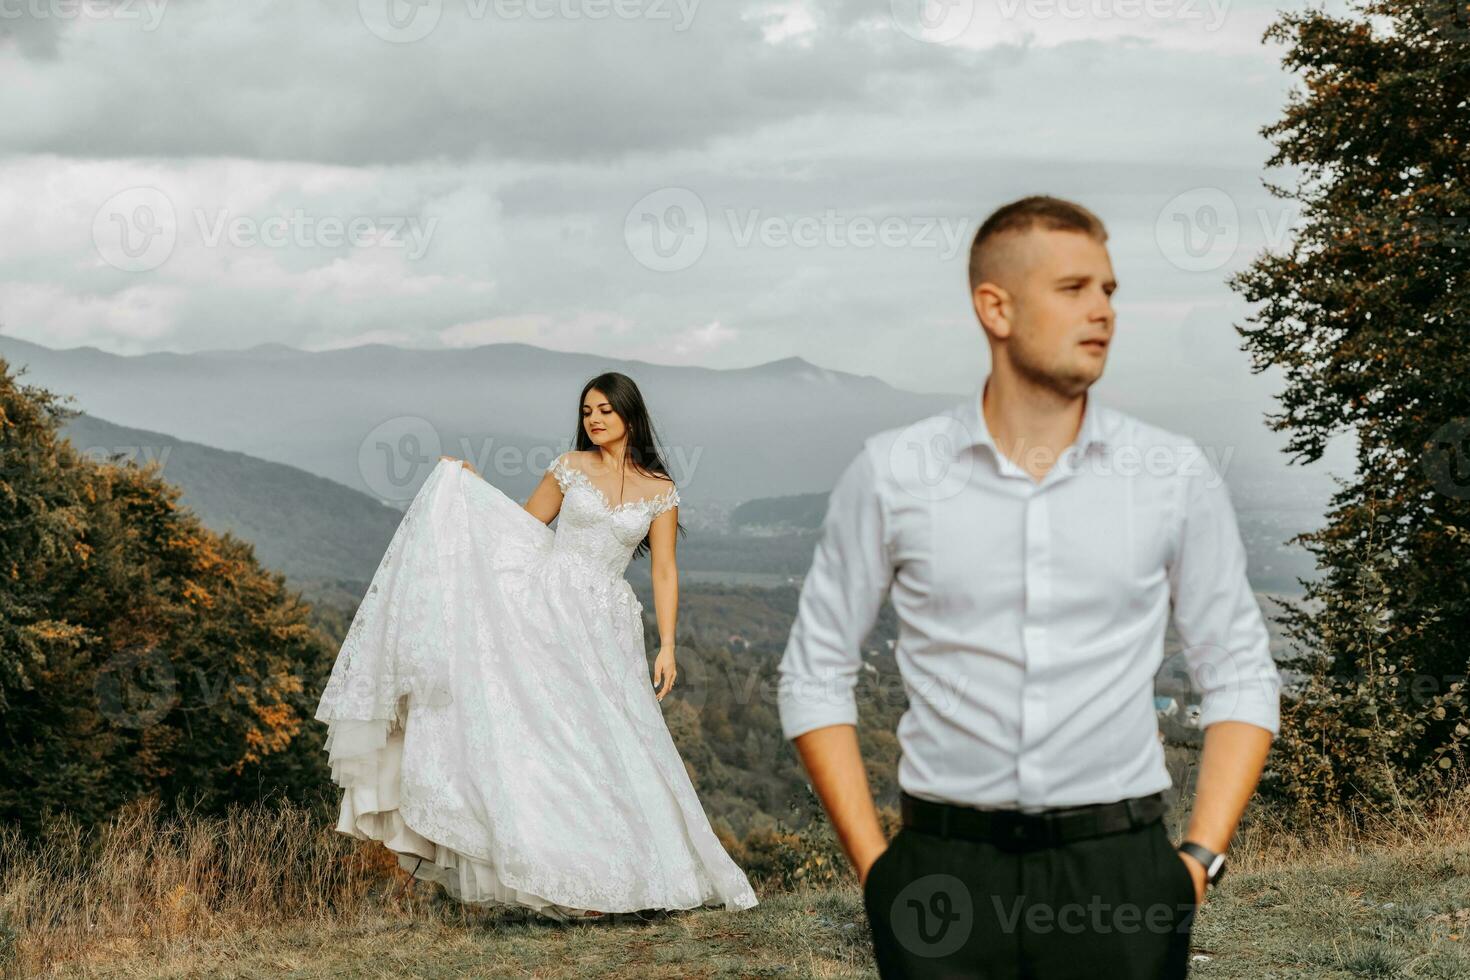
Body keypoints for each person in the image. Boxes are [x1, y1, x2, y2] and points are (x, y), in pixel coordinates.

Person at [776, 196, 1281, 978]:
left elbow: (1242, 674)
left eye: (1109, 290)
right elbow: (814, 675)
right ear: (995, 308)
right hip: (942, 876)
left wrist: (1195, 866)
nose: (1103, 310)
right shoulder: (894, 472)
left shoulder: (1174, 474)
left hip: (1122, 875)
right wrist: (880, 877)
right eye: (1074, 289)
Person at [314, 371, 758, 922]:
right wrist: (470, 496)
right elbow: (521, 531)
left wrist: (666, 646)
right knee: (551, 737)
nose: (593, 419)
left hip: (607, 628)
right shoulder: (569, 468)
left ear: (629, 416)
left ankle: (634, 873)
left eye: (605, 411)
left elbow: (665, 571)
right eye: (587, 410)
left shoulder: (660, 488)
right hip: (545, 609)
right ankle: (561, 876)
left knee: (614, 741)